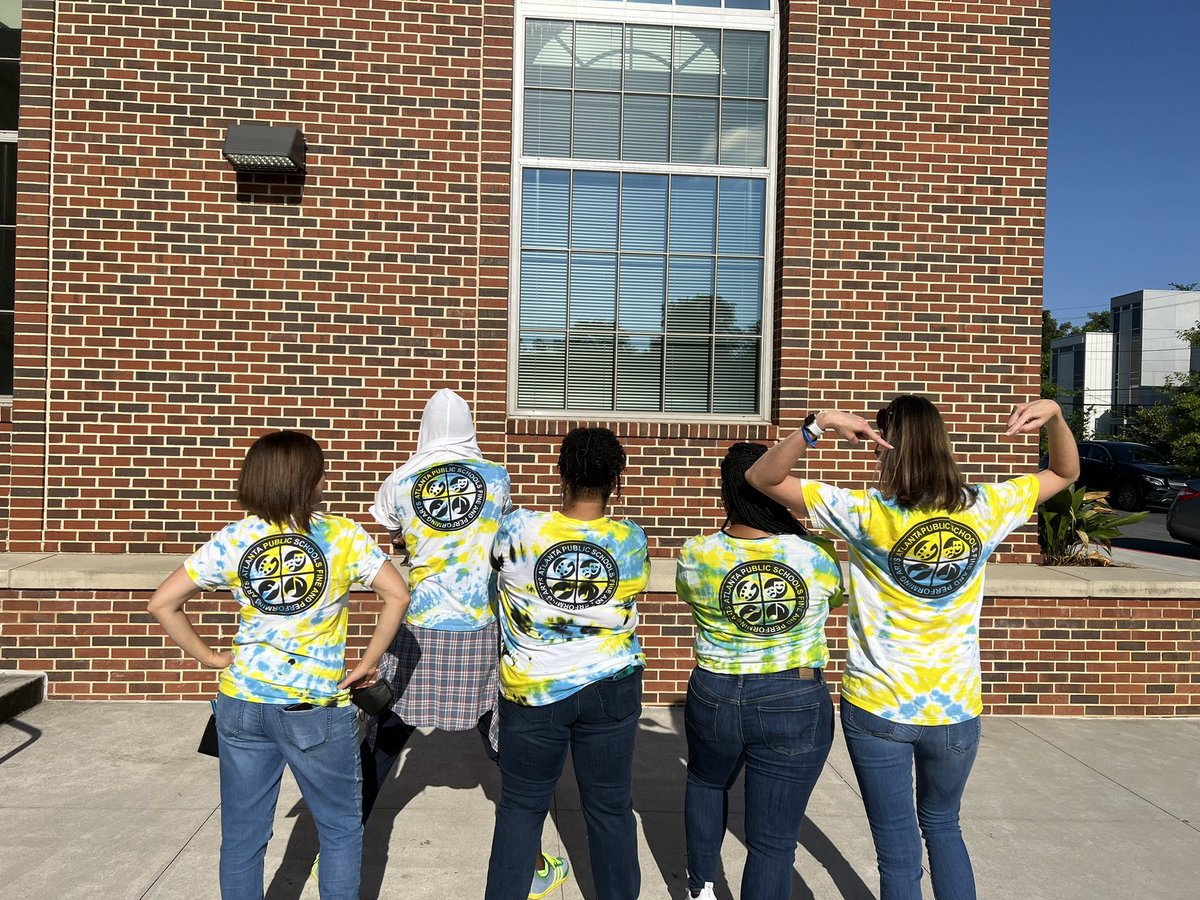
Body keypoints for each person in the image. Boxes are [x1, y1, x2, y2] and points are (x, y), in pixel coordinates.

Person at [746, 397, 1079, 900]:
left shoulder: (864, 511)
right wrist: (1053, 414)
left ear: (886, 446)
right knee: (945, 827)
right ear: (941, 442)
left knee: (897, 849)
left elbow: (762, 478)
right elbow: (1064, 472)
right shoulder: (986, 506)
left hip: (880, 706)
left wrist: (820, 426)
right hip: (956, 708)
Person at [147, 431, 411, 900]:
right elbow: (398, 594)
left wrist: (212, 658)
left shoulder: (235, 538)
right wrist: (369, 663)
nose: (325, 479)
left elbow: (163, 603)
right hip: (314, 707)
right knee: (340, 831)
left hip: (242, 702)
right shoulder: (341, 535)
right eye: (320, 471)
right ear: (306, 481)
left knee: (243, 839)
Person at [484, 427, 650, 900]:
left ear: (562, 473)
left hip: (533, 689)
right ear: (616, 480)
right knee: (611, 808)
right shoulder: (630, 539)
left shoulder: (519, 529)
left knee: (520, 808)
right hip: (610, 686)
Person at [676, 442, 845, 900]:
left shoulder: (697, 553)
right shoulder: (818, 555)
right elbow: (833, 601)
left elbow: (692, 599)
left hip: (714, 692)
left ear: (726, 492)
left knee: (706, 781)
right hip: (793, 696)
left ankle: (700, 889)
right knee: (772, 844)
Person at [361, 388, 509, 819]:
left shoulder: (400, 480)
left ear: (425, 427)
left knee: (386, 733)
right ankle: (530, 857)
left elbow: (395, 535)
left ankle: (339, 843)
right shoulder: (497, 478)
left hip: (417, 625)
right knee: (499, 734)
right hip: (479, 624)